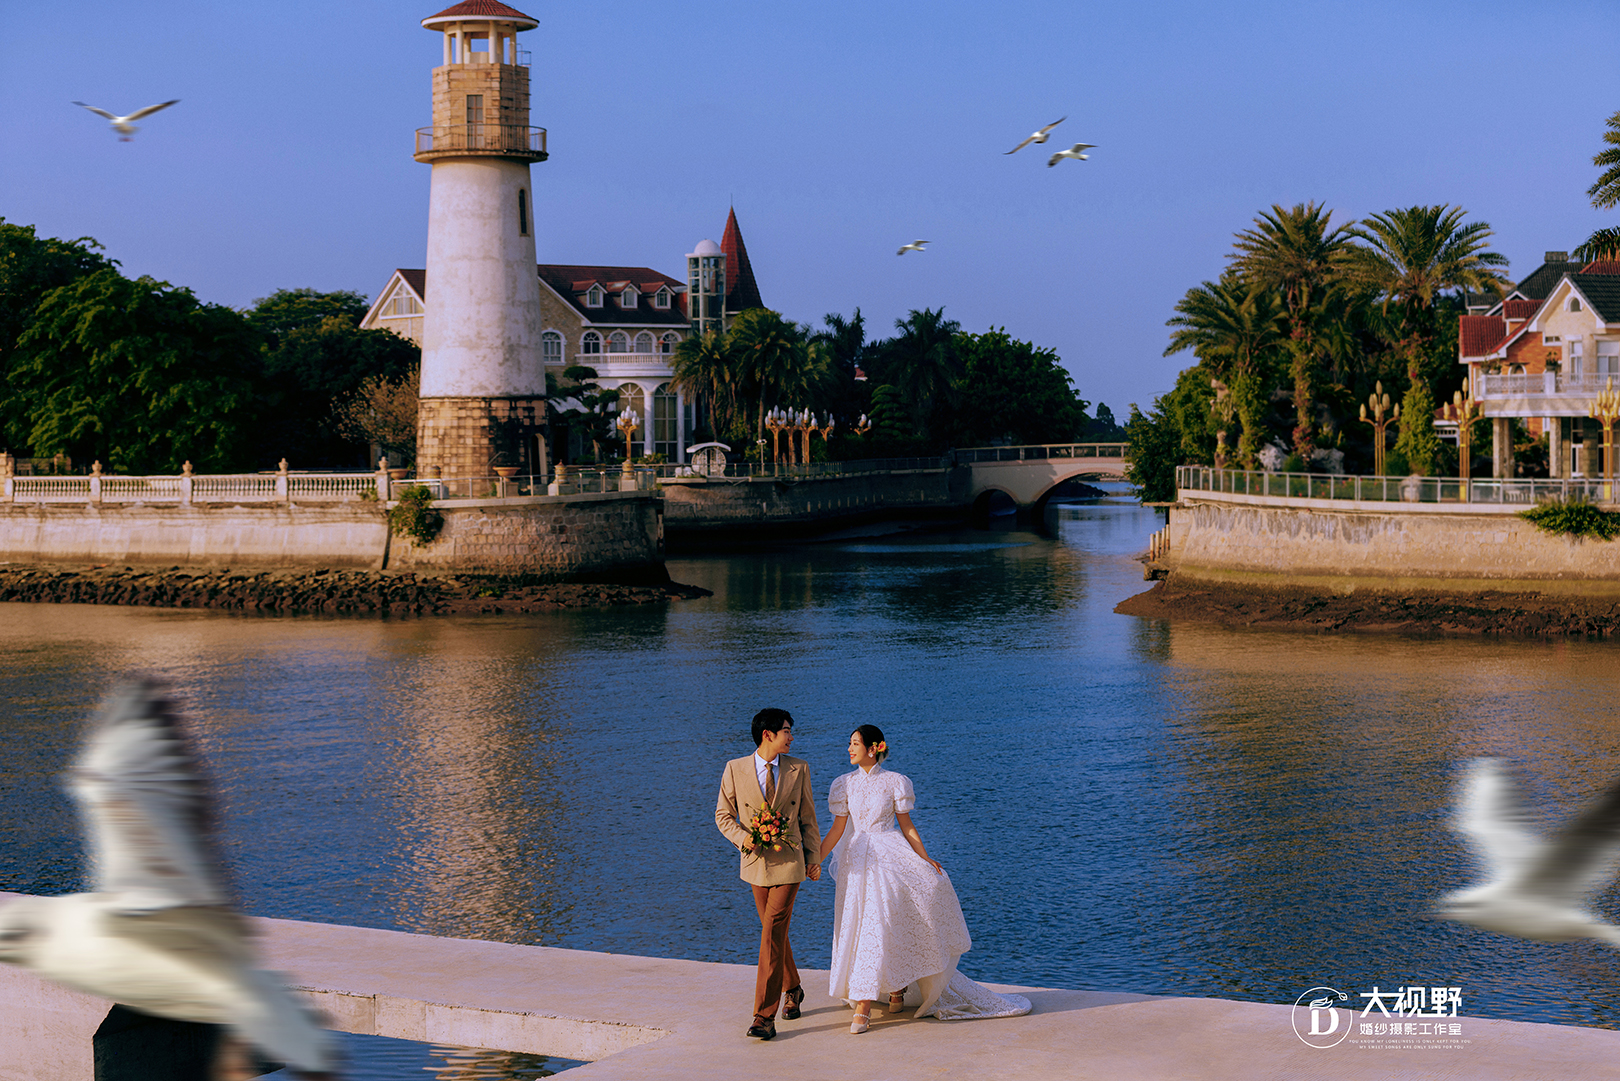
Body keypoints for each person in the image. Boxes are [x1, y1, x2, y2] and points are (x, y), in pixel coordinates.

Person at [817, 724, 1031, 1034]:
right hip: (857, 863)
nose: (849, 749)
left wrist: (926, 858)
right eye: (849, 744)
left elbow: (907, 826)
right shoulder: (844, 784)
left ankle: (868, 1003)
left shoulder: (895, 782)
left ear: (874, 748)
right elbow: (837, 830)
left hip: (891, 857)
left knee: (883, 922)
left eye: (855, 744)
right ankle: (893, 990)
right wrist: (815, 860)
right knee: (861, 923)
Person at [715, 707, 822, 1041]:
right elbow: (723, 815)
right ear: (768, 735)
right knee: (772, 933)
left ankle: (764, 1016)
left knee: (772, 930)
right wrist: (745, 839)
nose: (792, 736)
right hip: (755, 863)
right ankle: (794, 987)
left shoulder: (798, 768)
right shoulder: (735, 769)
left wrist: (813, 857)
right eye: (787, 731)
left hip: (790, 863)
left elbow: (808, 817)